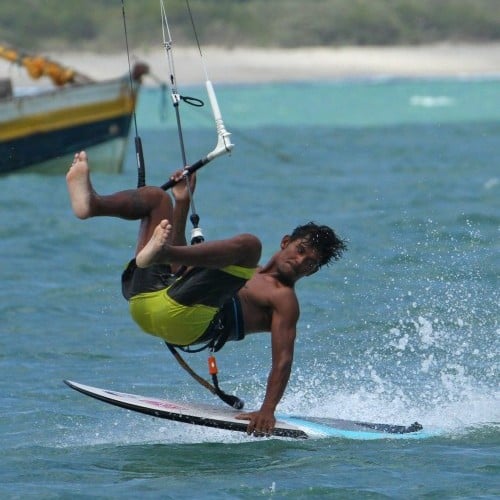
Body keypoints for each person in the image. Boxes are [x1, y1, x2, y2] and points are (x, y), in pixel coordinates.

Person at [66, 150, 347, 436]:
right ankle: (91, 204)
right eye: (300, 251)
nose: (300, 262)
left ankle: (159, 251)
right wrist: (183, 201)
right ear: (286, 242)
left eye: (309, 263)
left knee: (249, 245)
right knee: (157, 198)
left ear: (312, 272)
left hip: (184, 324)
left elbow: (283, 358)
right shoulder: (240, 270)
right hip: (145, 298)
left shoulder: (283, 299)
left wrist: (267, 410)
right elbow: (178, 266)